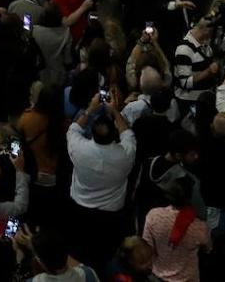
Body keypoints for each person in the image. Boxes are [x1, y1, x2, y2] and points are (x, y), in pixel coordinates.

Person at [67, 90, 136, 272]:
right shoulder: (125, 155)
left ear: (92, 133)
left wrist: (90, 109)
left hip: (80, 210)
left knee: (80, 253)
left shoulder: (78, 148)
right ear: (114, 135)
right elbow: (128, 134)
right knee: (106, 255)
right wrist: (115, 111)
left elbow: (74, 129)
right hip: (110, 217)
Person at [140, 176, 211, 282]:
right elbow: (208, 248)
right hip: (187, 279)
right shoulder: (199, 227)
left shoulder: (153, 216)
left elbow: (147, 246)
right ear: (190, 197)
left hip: (158, 276)